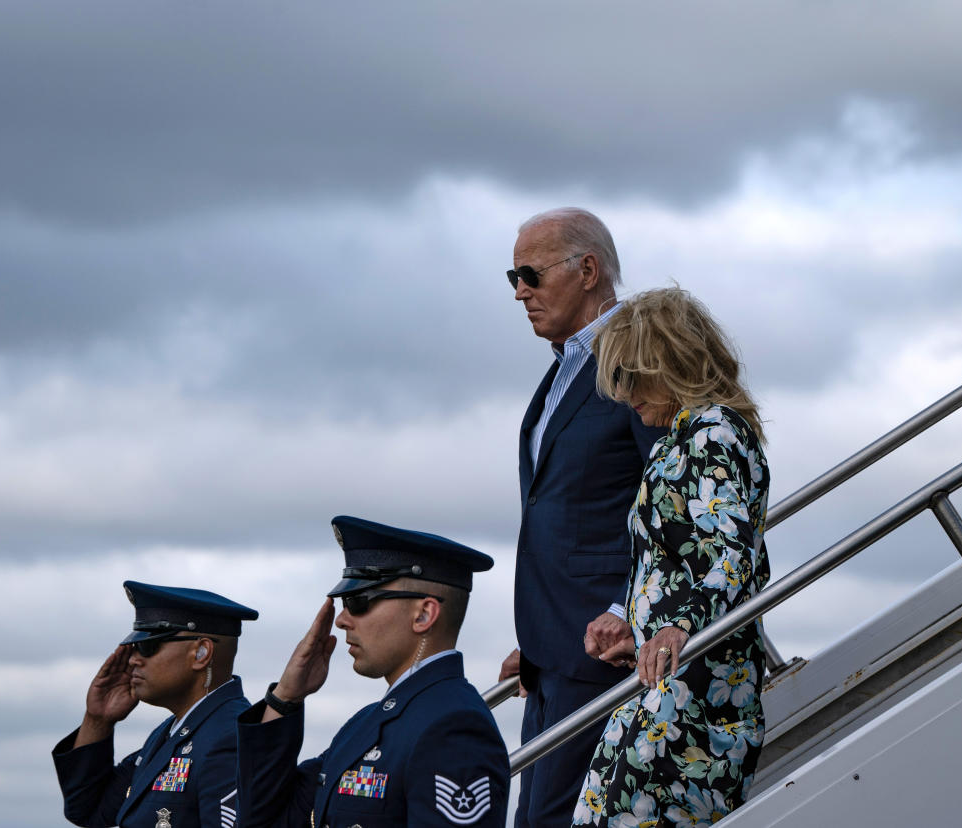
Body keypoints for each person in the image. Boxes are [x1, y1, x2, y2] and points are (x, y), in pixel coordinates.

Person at [573, 287, 770, 826]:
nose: (622, 393)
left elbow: (730, 556)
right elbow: (679, 559)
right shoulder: (678, 439)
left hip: (697, 685)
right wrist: (641, 627)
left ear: (670, 362)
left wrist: (676, 627)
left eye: (630, 375)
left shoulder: (712, 433)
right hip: (667, 677)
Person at [501, 207, 667, 827]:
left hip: (606, 653)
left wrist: (629, 612)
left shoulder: (638, 360)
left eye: (530, 274)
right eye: (511, 276)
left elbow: (668, 501)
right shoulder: (563, 370)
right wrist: (537, 639)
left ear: (588, 270)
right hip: (554, 657)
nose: (519, 291)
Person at [237, 515, 510, 827]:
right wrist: (285, 698)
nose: (341, 620)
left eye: (359, 601)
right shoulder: (366, 724)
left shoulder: (455, 727)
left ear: (423, 615)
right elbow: (265, 820)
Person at [53, 581, 258, 828]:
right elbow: (88, 810)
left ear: (201, 653)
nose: (133, 660)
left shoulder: (229, 737)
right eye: (134, 647)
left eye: (148, 646)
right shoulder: (170, 733)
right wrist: (97, 720)